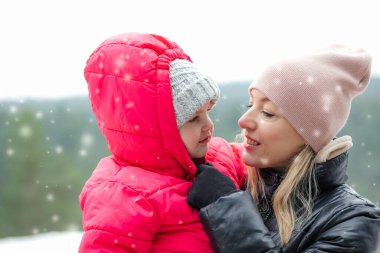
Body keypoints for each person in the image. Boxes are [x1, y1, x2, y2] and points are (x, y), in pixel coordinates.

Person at [187, 44, 380, 252]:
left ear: (307, 134)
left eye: (268, 113)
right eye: (250, 105)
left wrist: (227, 210)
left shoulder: (353, 220)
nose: (243, 121)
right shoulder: (235, 182)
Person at [78, 32, 245, 252]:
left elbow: (268, 161)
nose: (208, 125)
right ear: (156, 129)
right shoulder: (124, 195)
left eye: (208, 111)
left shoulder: (217, 157)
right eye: (193, 118)